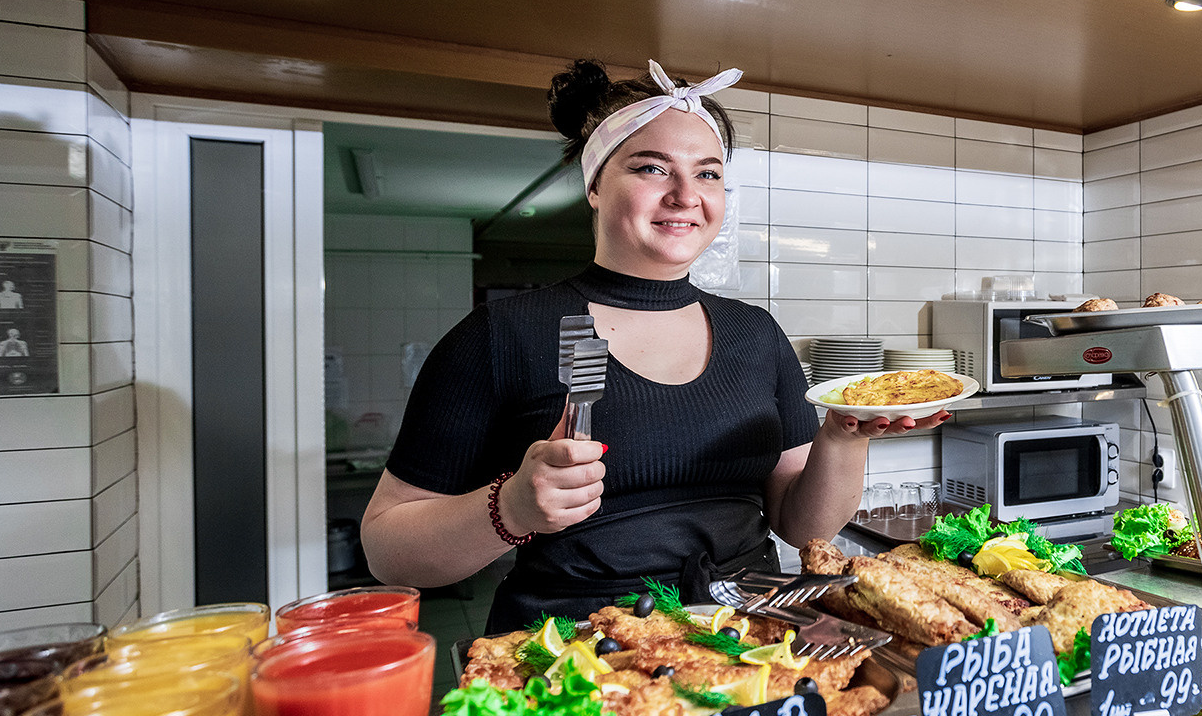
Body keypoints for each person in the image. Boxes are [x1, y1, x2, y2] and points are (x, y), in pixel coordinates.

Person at [362, 60, 949, 630]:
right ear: (595, 186)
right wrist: (511, 508)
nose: (685, 194)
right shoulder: (503, 334)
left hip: (751, 637)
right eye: (651, 168)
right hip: (578, 652)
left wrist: (843, 434)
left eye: (708, 172)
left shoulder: (754, 335)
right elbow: (389, 549)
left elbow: (803, 527)